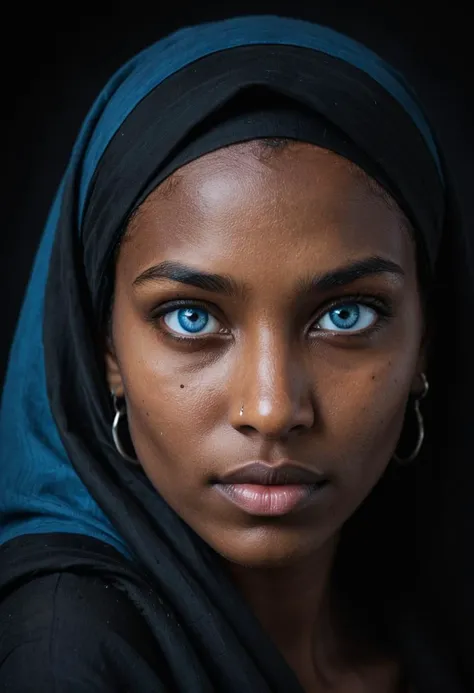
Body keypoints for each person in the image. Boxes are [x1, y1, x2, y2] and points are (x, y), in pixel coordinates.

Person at [0, 14, 471, 693]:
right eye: (191, 318)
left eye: (346, 315)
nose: (273, 409)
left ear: (426, 336)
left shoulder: (430, 622)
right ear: (104, 349)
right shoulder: (65, 657)